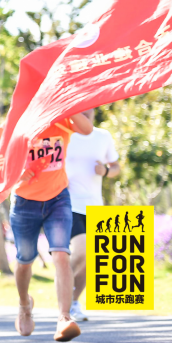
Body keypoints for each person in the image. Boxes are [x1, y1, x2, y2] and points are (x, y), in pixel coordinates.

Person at [7, 111, 93, 343]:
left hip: (58, 198)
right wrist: (15, 171)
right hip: (25, 203)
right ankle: (25, 305)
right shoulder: (20, 120)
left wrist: (68, 104)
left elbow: (87, 129)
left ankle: (64, 317)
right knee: (25, 260)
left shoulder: (63, 119)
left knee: (61, 255)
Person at [65, 107, 120, 322]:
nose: (86, 111)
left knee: (91, 260)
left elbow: (115, 167)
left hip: (95, 205)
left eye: (90, 107)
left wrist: (106, 171)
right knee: (80, 251)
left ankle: (73, 302)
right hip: (69, 203)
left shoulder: (103, 136)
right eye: (81, 107)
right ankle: (63, 281)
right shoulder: (65, 134)